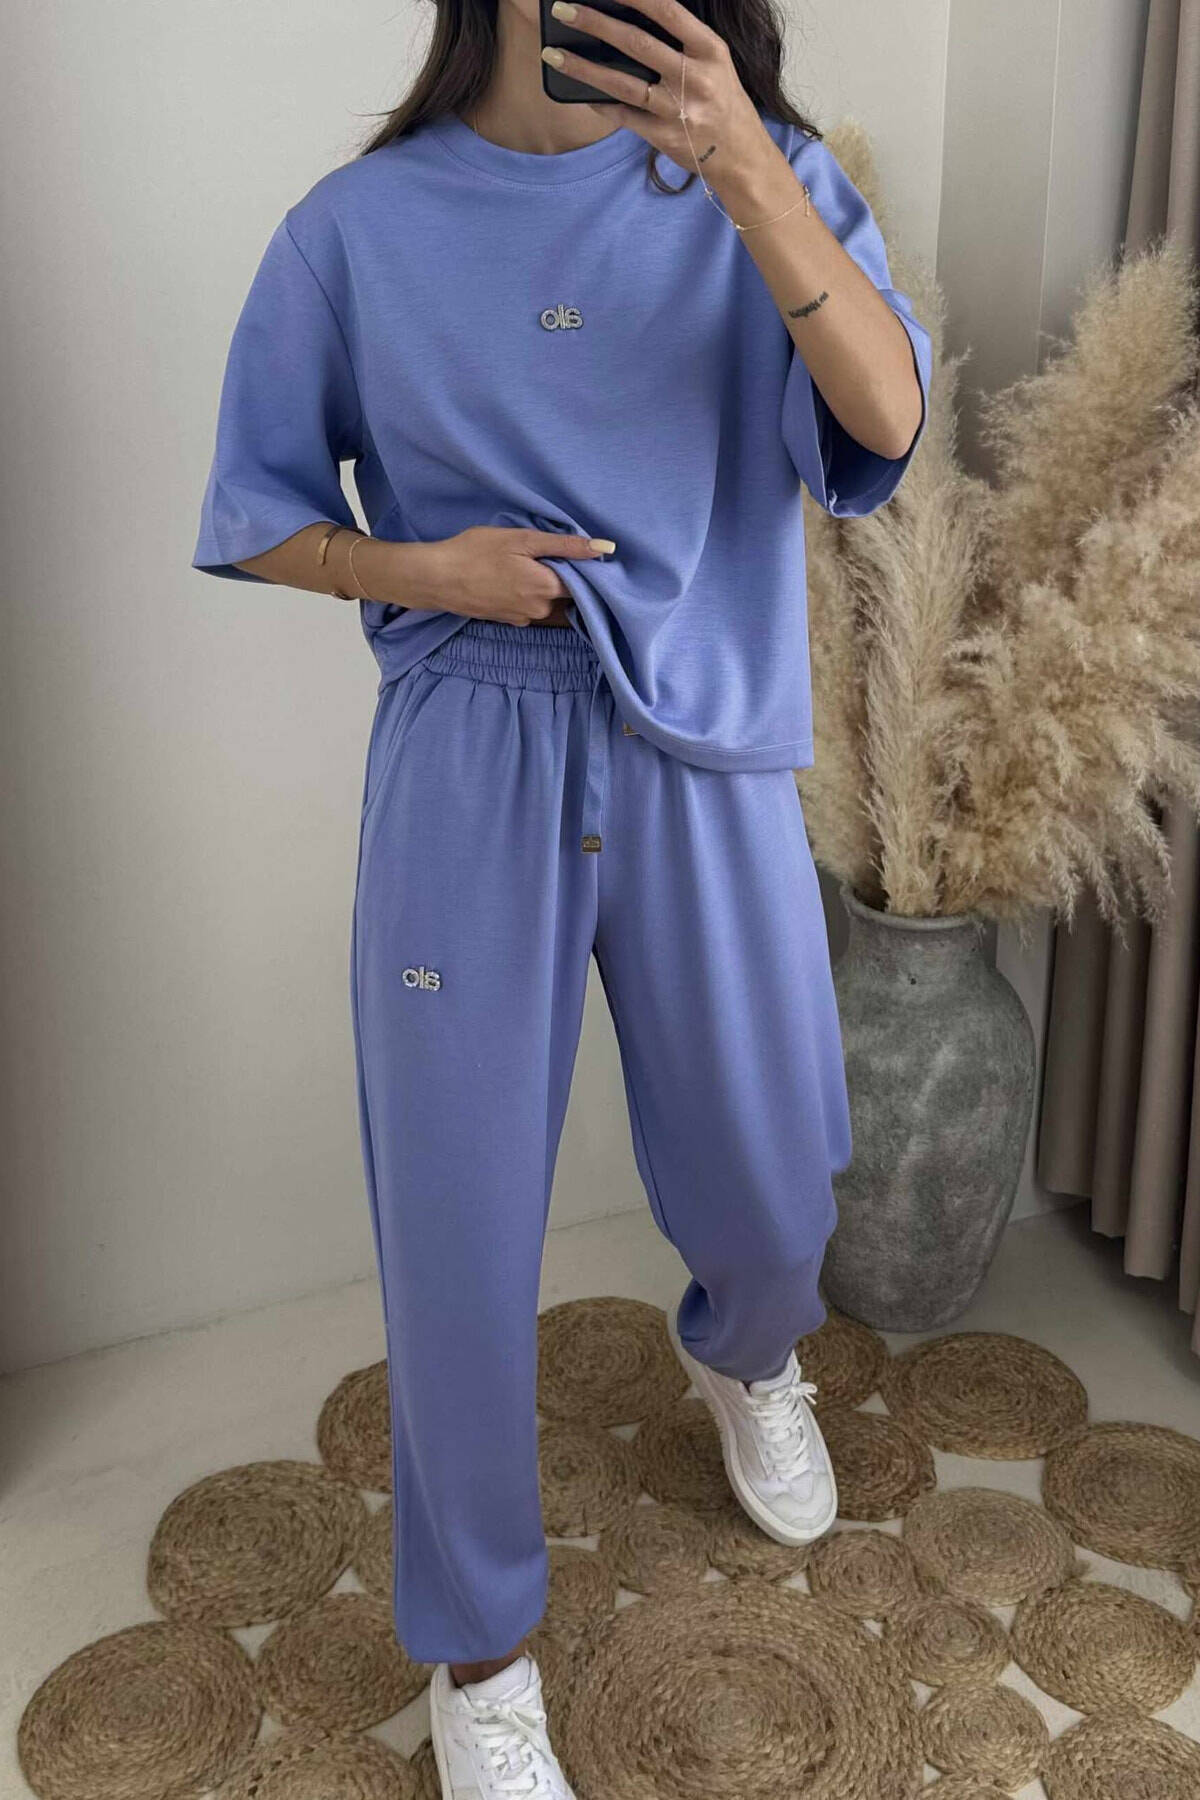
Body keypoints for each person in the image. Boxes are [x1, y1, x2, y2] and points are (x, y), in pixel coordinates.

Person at [192, 0, 931, 1792]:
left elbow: (885, 423)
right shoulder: (355, 231)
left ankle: (750, 1357)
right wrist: (418, 566)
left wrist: (750, 171)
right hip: (469, 740)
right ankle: (481, 1650)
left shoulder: (766, 176)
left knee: (772, 1176)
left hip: (706, 739)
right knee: (453, 1229)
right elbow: (254, 508)